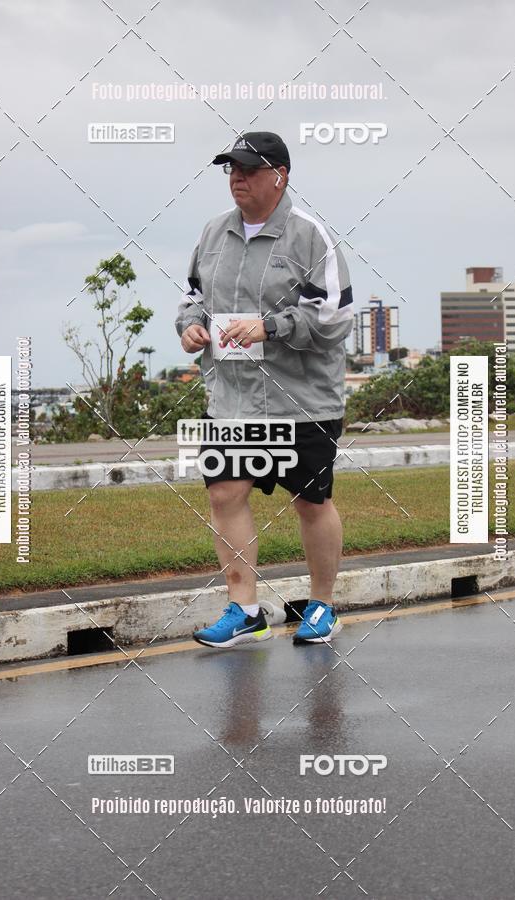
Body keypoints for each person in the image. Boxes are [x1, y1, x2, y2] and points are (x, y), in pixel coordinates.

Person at [175, 132, 354, 649]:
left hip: (302, 401)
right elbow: (192, 297)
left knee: (310, 500)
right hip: (231, 400)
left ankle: (321, 605)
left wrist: (271, 327)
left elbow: (335, 315)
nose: (237, 178)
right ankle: (245, 609)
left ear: (280, 175)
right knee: (225, 492)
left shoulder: (309, 236)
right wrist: (190, 327)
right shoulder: (212, 234)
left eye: (249, 169)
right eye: (231, 169)